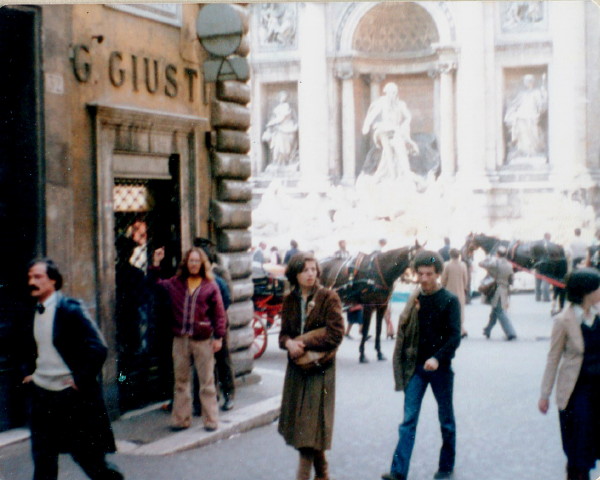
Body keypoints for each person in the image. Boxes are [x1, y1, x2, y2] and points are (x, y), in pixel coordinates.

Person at [21, 258, 123, 480]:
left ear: (53, 281)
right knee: (43, 461)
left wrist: (80, 379)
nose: (32, 282)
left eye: (38, 277)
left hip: (70, 397)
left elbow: (99, 347)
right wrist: (30, 374)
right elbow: (27, 347)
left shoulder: (70, 309)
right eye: (30, 277)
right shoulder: (31, 311)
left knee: (89, 460)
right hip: (42, 396)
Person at [382, 250, 461, 480]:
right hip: (416, 369)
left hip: (441, 370)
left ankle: (445, 467)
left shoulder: (450, 300)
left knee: (446, 420)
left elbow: (454, 337)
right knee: (408, 421)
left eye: (429, 274)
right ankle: (398, 472)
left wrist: (437, 358)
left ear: (438, 274)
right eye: (420, 274)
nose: (424, 278)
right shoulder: (414, 299)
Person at [278, 252, 345, 480]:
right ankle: (323, 473)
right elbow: (283, 335)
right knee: (306, 427)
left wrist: (303, 343)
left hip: (320, 368)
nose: (310, 274)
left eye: (313, 269)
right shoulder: (289, 300)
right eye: (305, 270)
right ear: (295, 274)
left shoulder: (328, 297)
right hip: (297, 368)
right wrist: (289, 343)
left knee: (308, 430)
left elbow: (336, 334)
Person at [151, 247, 226, 431]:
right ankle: (181, 420)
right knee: (181, 382)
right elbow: (156, 285)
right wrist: (155, 263)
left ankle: (211, 420)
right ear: (186, 263)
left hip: (203, 340)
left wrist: (219, 337)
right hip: (181, 339)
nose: (194, 264)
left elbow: (219, 313)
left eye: (197, 261)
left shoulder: (210, 285)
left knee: (206, 382)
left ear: (202, 264)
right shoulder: (176, 283)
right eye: (191, 261)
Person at [539, 268, 600, 480]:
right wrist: (545, 394)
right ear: (586, 292)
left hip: (597, 391)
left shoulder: (598, 315)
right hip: (576, 392)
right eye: (598, 288)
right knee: (578, 447)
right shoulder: (563, 320)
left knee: (591, 445)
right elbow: (553, 358)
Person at [194, 237, 236, 412]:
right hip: (201, 325)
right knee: (202, 363)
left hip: (219, 322)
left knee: (223, 360)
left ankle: (229, 394)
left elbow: (228, 297)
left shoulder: (220, 273)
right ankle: (206, 399)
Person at [362, 82, 419, 183]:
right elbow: (371, 115)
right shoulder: (382, 103)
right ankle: (393, 174)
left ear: (396, 93)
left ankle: (403, 172)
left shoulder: (400, 104)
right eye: (390, 92)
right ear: (386, 92)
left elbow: (408, 116)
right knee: (385, 141)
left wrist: (404, 125)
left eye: (394, 92)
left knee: (398, 145)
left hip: (396, 130)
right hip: (383, 129)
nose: (392, 95)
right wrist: (366, 126)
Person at [504, 73, 547, 160]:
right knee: (522, 134)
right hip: (521, 115)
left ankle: (532, 152)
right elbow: (515, 103)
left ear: (532, 82)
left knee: (533, 134)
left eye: (529, 81)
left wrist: (544, 95)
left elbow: (541, 105)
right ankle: (523, 152)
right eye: (526, 81)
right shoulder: (522, 93)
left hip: (532, 116)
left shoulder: (536, 92)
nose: (527, 83)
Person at [480, 246, 518, 341]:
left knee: (500, 311)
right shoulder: (509, 265)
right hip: (505, 290)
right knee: (495, 310)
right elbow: (511, 280)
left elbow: (481, 264)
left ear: (497, 254)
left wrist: (489, 258)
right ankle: (488, 329)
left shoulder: (495, 263)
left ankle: (511, 332)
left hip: (496, 290)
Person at [262, 90, 299, 167]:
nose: (283, 98)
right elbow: (274, 118)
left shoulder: (288, 107)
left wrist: (271, 123)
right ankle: (277, 163)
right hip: (279, 130)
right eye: (281, 96)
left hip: (288, 128)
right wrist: (271, 124)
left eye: (284, 96)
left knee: (286, 148)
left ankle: (286, 162)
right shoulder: (277, 108)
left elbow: (282, 118)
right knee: (278, 147)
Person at [441, 248, 469, 338]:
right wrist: (464, 287)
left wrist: (442, 287)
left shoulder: (447, 265)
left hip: (448, 291)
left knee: (449, 311)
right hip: (460, 291)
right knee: (460, 310)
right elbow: (465, 279)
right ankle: (461, 329)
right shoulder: (463, 265)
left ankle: (454, 330)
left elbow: (443, 279)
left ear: (450, 255)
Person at [536, 232, 552, 302]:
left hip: (538, 265)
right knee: (546, 281)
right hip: (546, 265)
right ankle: (546, 298)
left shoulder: (538, 244)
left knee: (538, 282)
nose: (550, 238)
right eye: (550, 236)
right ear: (547, 237)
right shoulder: (550, 245)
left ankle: (538, 297)